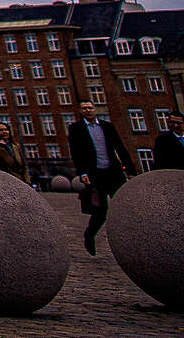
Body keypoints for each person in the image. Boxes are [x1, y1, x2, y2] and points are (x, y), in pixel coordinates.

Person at [69, 101, 131, 254]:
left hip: (113, 172)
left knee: (123, 206)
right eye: (84, 108)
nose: (88, 110)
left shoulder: (107, 126)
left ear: (95, 110)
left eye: (90, 108)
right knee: (100, 211)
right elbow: (76, 153)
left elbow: (120, 147)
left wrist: (130, 170)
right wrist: (82, 173)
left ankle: (127, 240)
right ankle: (89, 235)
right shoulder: (76, 129)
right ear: (80, 111)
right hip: (95, 175)